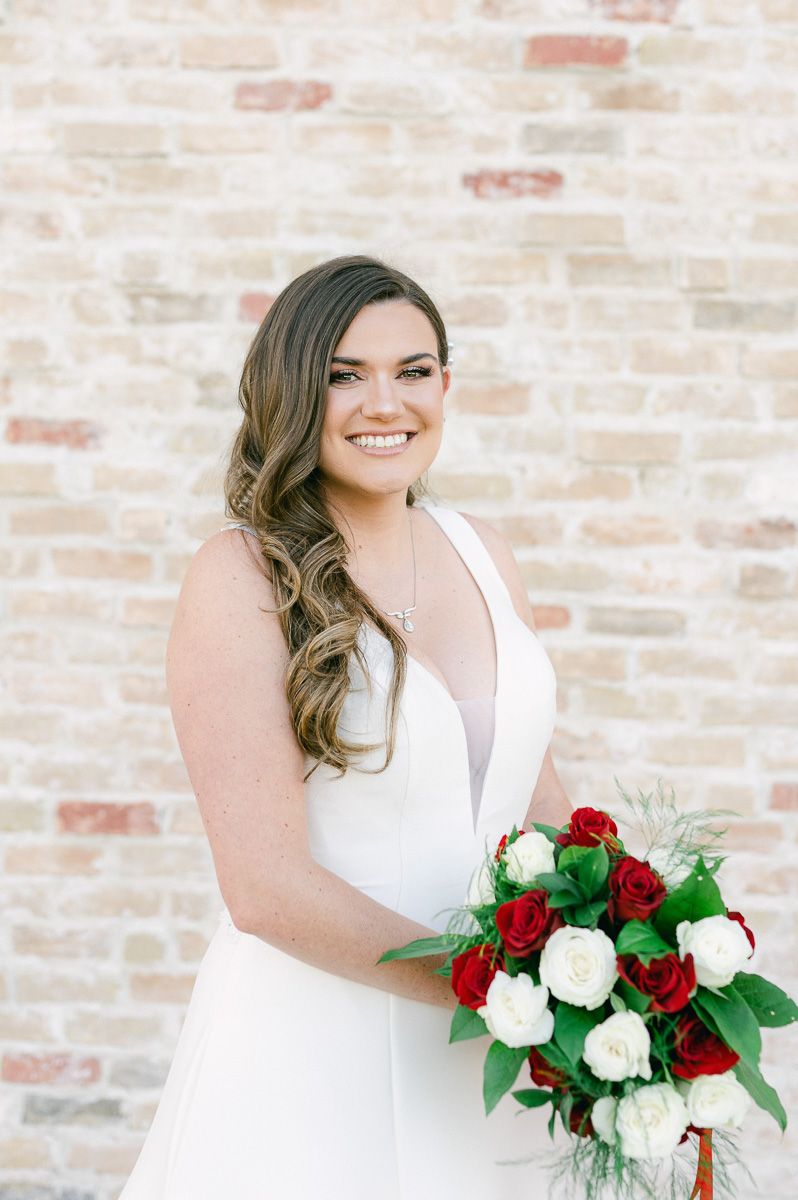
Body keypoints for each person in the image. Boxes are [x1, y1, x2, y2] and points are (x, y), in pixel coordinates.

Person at [119, 254, 572, 1198]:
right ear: (292, 391)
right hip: (314, 1055)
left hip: (495, 1062)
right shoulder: (240, 577)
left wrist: (612, 956)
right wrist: (493, 991)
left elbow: (534, 797)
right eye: (343, 375)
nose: (385, 403)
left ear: (445, 386)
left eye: (412, 371)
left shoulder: (483, 551)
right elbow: (265, 889)